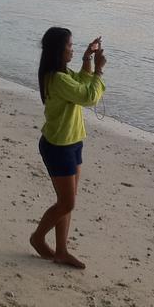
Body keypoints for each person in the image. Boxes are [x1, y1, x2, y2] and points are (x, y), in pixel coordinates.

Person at [30, 28, 106, 269]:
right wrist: (100, 70)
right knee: (68, 202)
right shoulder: (57, 78)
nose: (72, 49)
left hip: (72, 142)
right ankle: (38, 238)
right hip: (58, 146)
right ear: (58, 50)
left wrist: (87, 60)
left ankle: (61, 250)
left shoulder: (62, 74)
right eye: (70, 46)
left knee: (66, 200)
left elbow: (81, 83)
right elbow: (88, 97)